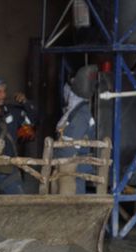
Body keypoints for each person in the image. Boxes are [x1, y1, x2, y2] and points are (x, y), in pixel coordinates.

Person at [55, 65, 98, 194]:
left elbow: (69, 149)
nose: (65, 93)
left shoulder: (80, 116)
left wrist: (55, 158)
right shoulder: (75, 112)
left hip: (73, 170)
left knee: (71, 204)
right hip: (72, 168)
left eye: (67, 90)